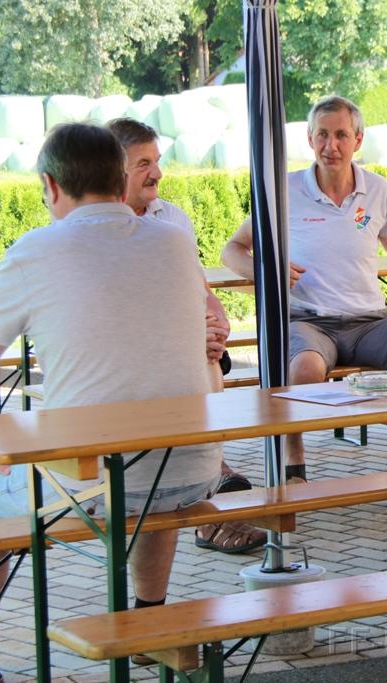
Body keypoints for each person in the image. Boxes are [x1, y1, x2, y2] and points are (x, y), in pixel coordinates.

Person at [0, 123, 224, 681]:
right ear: (121, 181)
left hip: (91, 486)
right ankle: (147, 620)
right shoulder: (175, 242)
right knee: (151, 467)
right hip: (195, 472)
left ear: (51, 186)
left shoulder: (34, 250)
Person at [222, 95, 387, 482]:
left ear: (358, 140)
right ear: (309, 139)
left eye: (342, 135)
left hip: (370, 322)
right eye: (323, 135)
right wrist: (267, 271)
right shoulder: (284, 190)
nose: (331, 145)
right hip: (308, 322)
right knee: (304, 371)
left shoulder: (378, 190)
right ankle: (294, 463)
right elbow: (232, 249)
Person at [106, 117, 265, 555]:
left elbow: (199, 287)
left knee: (207, 358)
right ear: (114, 168)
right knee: (201, 365)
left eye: (157, 161)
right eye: (143, 164)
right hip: (136, 359)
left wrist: (216, 321)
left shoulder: (173, 217)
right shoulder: (101, 226)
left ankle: (208, 481)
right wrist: (190, 336)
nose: (156, 173)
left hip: (182, 347)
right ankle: (210, 486)